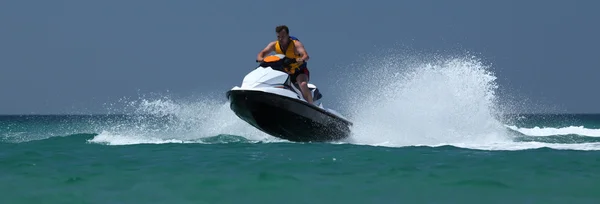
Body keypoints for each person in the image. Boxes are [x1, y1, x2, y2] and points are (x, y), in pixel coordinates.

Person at [256, 25, 313, 104]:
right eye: (278, 36)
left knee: (303, 84)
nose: (280, 39)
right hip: (285, 73)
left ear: (288, 35)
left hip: (299, 72)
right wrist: (261, 58)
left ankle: (311, 105)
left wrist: (298, 59)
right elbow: (262, 53)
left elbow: (306, 56)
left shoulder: (296, 44)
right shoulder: (274, 45)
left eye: (283, 36)